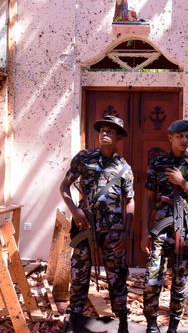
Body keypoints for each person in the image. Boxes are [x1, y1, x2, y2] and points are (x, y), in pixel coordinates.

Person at [60, 115, 134, 333]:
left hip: (113, 231)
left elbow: (130, 201)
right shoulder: (84, 158)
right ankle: (74, 320)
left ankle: (122, 323)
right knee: (79, 274)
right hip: (85, 227)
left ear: (119, 137)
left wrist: (127, 232)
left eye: (110, 131)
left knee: (117, 276)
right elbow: (64, 186)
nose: (104, 133)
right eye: (102, 129)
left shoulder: (124, 168)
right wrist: (74, 211)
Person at [141, 119, 188, 333]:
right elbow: (148, 199)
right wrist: (145, 231)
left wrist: (183, 183)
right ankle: (152, 326)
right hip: (161, 232)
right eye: (180, 136)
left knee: (180, 283)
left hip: (187, 233)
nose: (184, 140)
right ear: (170, 138)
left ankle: (173, 327)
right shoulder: (157, 164)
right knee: (152, 279)